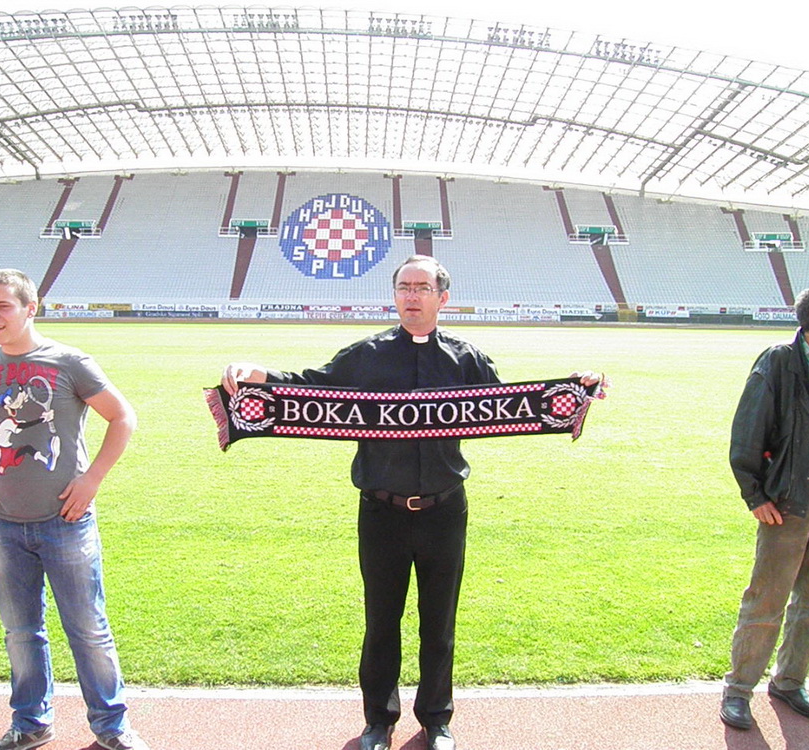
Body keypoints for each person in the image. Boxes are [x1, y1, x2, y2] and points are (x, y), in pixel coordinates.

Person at [222, 254, 599, 750]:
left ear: (443, 298)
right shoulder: (366, 355)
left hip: (445, 510)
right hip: (381, 512)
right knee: (381, 621)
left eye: (422, 288)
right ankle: (378, 721)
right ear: (394, 295)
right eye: (404, 287)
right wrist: (260, 375)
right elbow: (311, 385)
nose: (412, 296)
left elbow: (514, 405)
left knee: (439, 622)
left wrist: (572, 389)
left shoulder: (467, 359)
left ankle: (436, 720)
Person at [0, 269, 147, 750]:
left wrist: (92, 479)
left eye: (3, 306)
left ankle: (112, 726)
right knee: (20, 632)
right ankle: (31, 723)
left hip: (65, 521)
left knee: (88, 629)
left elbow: (122, 416)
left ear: (30, 308)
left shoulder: (68, 362)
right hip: (1, 524)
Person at [722, 285, 809, 730]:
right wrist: (755, 495)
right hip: (790, 501)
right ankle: (739, 690)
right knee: (767, 600)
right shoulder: (778, 361)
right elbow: (747, 430)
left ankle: (790, 681)